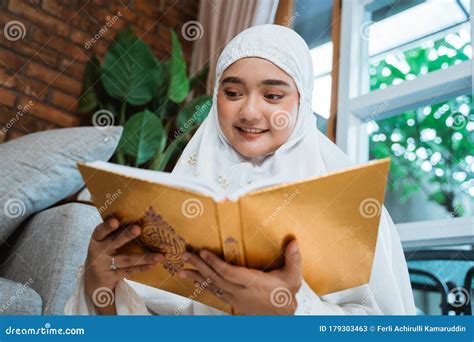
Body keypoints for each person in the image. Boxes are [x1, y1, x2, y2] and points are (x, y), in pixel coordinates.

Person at [65, 24, 416, 315]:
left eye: (273, 96)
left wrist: (291, 310)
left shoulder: (354, 208)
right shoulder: (172, 194)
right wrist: (101, 290)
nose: (249, 112)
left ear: (302, 102)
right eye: (232, 93)